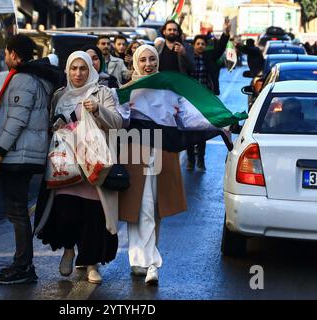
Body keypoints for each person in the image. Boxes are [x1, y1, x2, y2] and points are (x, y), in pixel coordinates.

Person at [35, 51, 123, 285]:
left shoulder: (102, 92)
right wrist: (58, 125)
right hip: (66, 165)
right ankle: (68, 250)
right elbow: (50, 126)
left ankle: (92, 263)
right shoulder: (59, 96)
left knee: (93, 218)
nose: (78, 73)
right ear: (67, 70)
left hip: (94, 165)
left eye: (83, 68)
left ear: (91, 70)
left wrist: (97, 109)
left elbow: (118, 123)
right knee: (66, 214)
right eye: (73, 68)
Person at [0, 34, 62, 285]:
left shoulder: (22, 79)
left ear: (14, 55)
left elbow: (16, 120)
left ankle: (23, 266)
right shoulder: (40, 77)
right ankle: (23, 264)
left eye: (7, 53)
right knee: (18, 211)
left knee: (17, 212)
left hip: (18, 154)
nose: (5, 57)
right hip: (29, 153)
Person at [118, 45, 187, 285]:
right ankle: (149, 263)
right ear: (135, 63)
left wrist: (220, 122)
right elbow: (119, 119)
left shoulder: (170, 91)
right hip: (135, 151)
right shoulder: (128, 91)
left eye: (152, 59)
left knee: (154, 208)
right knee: (139, 207)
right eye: (143, 60)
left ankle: (142, 260)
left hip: (163, 151)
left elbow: (188, 117)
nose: (148, 64)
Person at [186, 22, 231, 172]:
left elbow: (220, 48)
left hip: (204, 101)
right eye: (197, 43)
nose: (200, 46)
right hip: (189, 101)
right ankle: (191, 161)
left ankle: (201, 160)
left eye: (202, 44)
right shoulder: (187, 59)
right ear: (193, 45)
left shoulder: (208, 57)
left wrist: (226, 33)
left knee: (201, 131)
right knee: (189, 131)